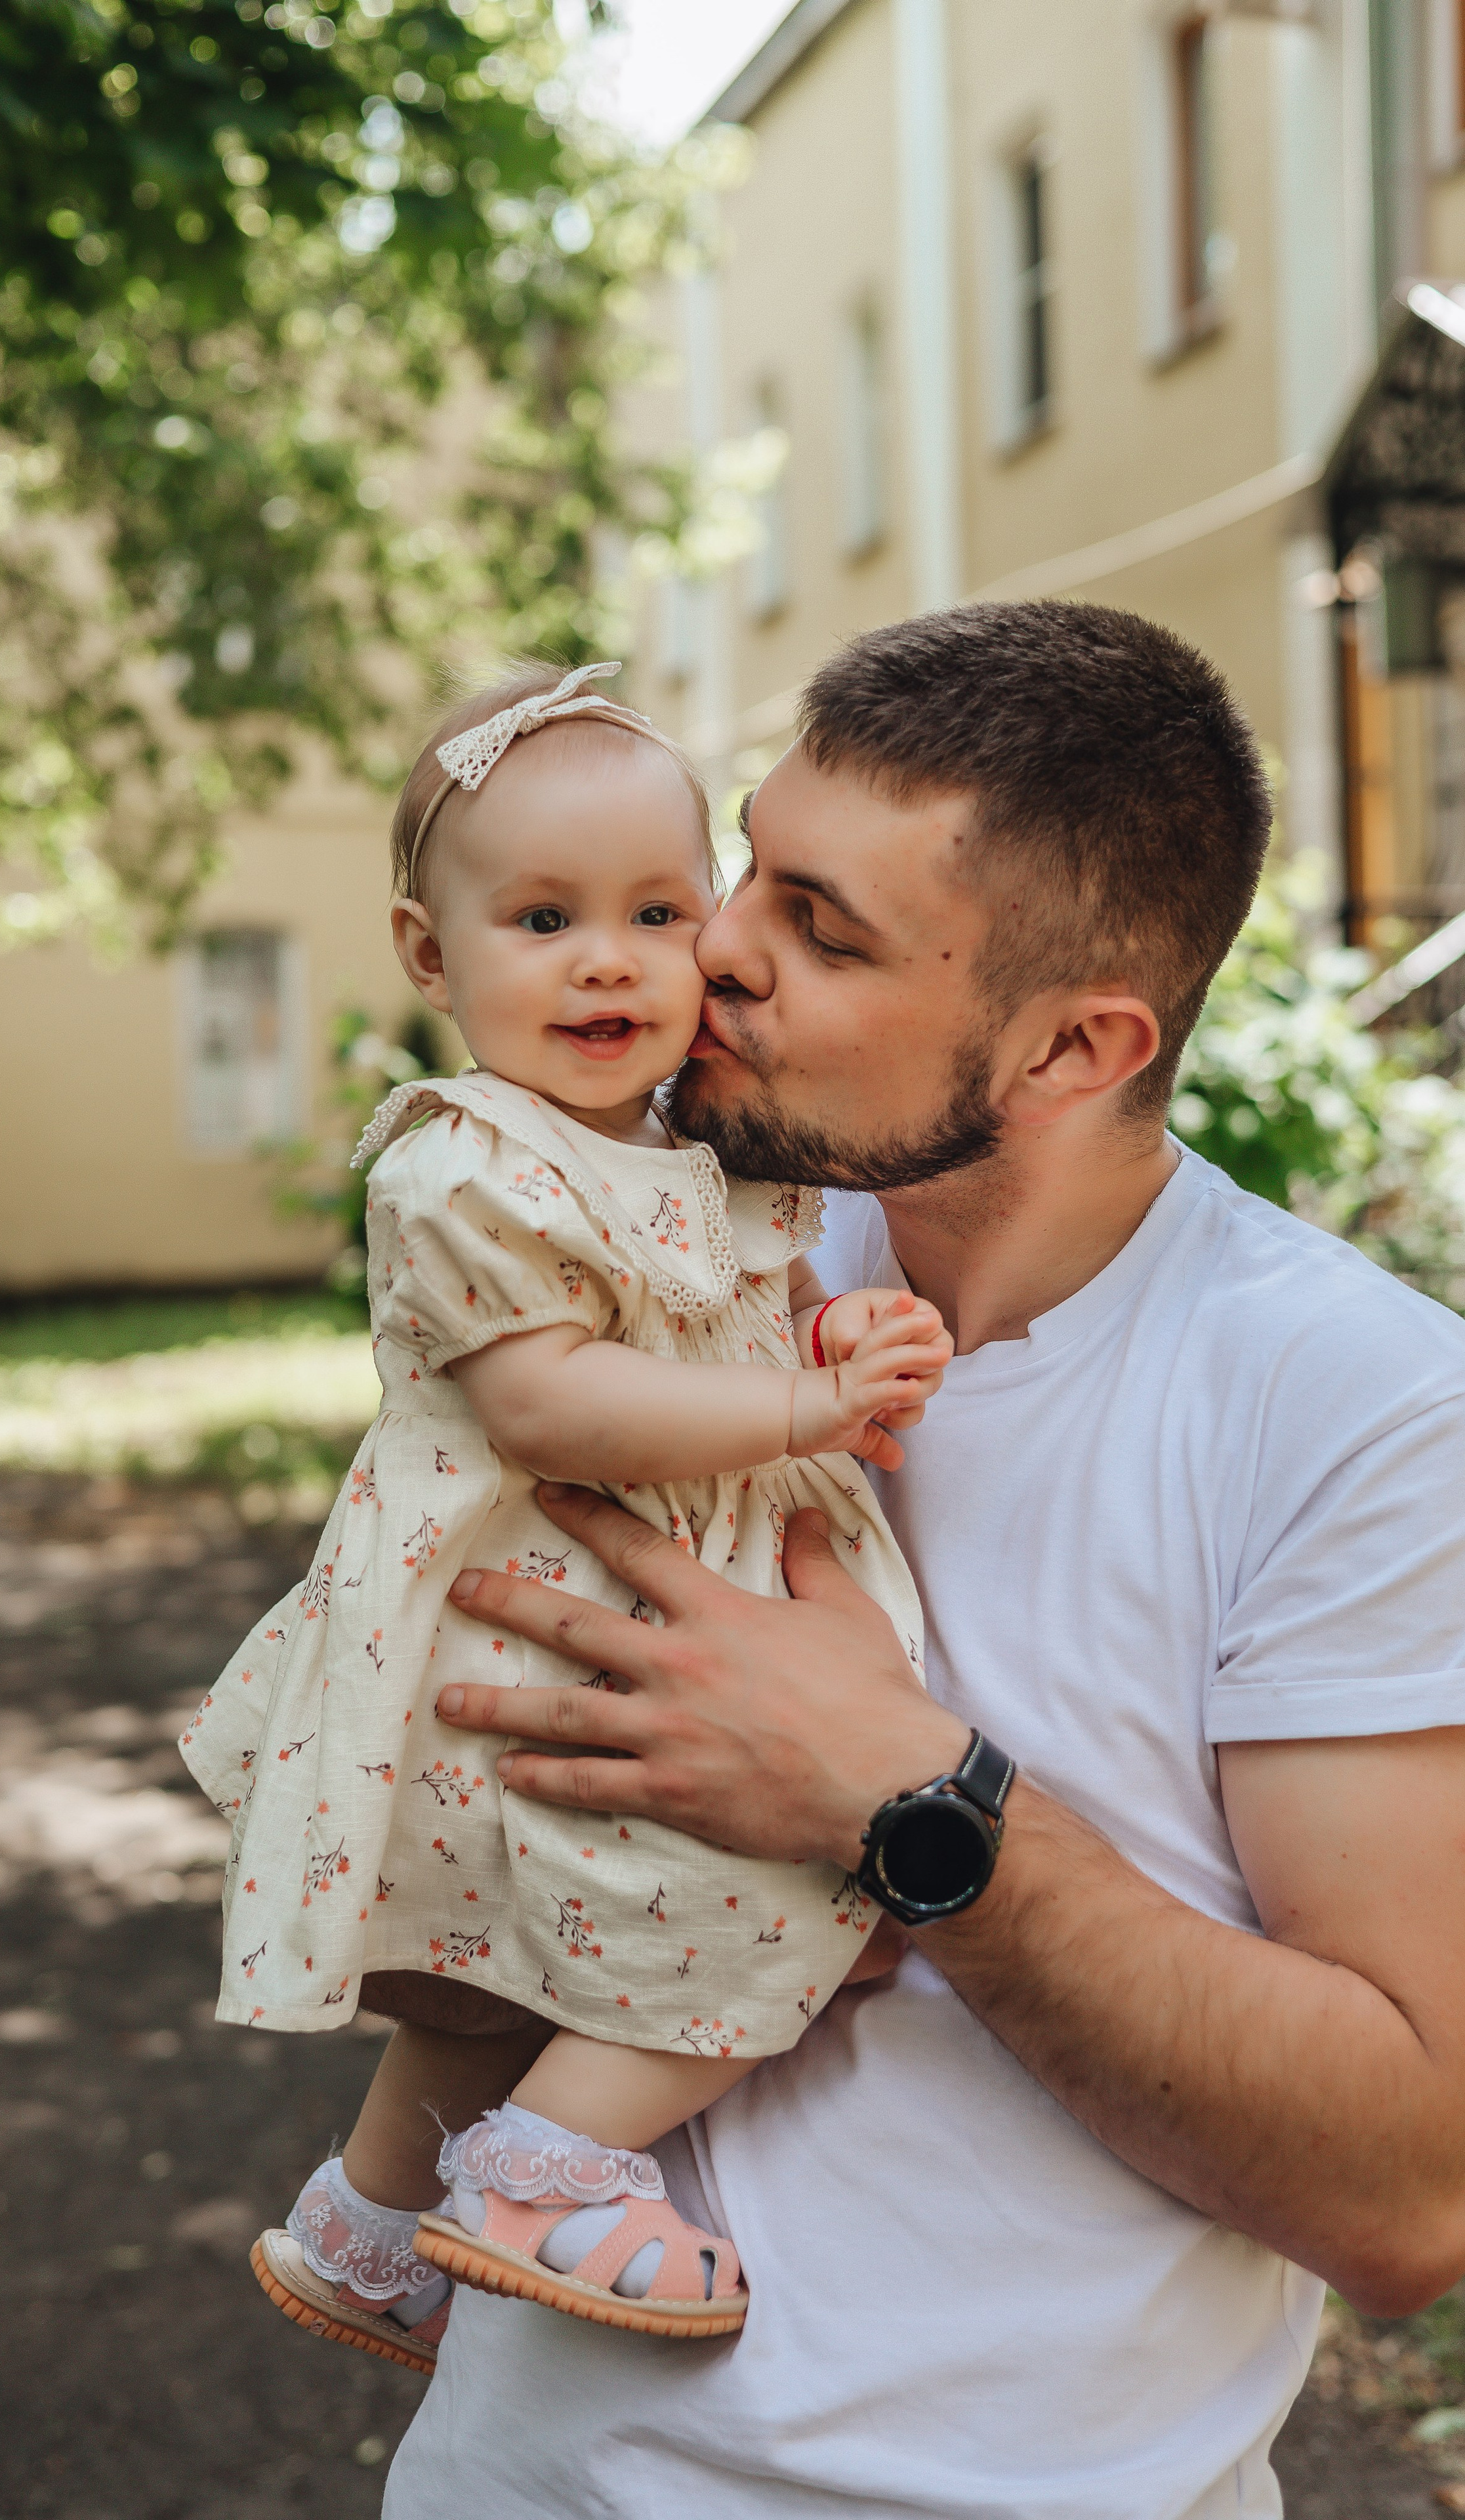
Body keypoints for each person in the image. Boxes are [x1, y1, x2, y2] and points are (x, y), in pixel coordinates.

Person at [386, 602, 1465, 2520]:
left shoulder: (1355, 1408)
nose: (713, 946)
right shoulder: (666, 1268)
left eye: (824, 926)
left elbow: (1410, 2194)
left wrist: (909, 1799)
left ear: (1076, 1047)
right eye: (748, 865)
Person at [177, 662, 949, 2372]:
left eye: (658, 912)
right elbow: (554, 1402)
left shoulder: (708, 1147)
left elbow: (710, 1318)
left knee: (507, 1961)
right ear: (429, 955)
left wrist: (828, 1339)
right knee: (772, 1870)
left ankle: (372, 2227)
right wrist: (807, 1411)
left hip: (643, 1595)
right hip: (536, 1612)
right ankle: (550, 2172)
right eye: (543, 916)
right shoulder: (459, 1161)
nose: (609, 958)